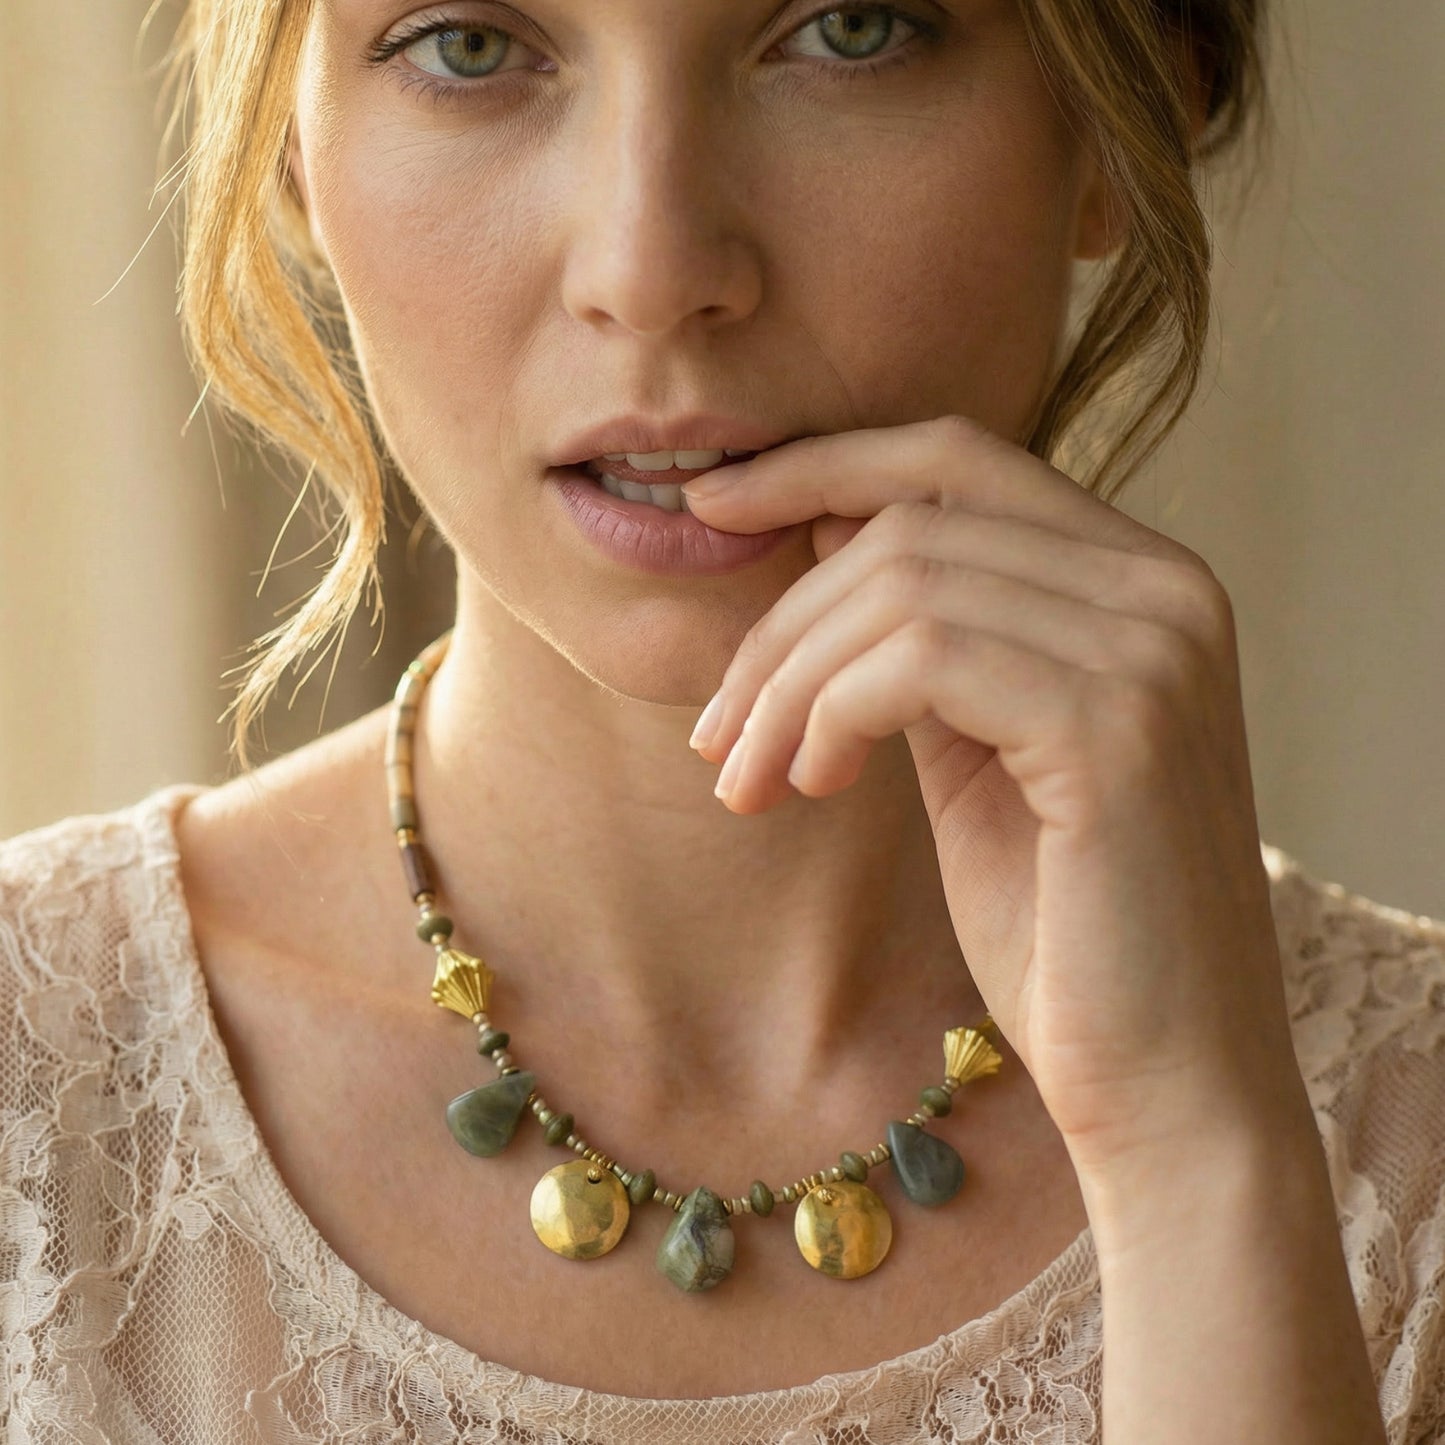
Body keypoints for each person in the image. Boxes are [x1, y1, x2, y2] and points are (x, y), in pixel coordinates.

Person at [1, 0, 1442, 1439]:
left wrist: (1199, 1165)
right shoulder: (34, 1086)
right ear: (290, 151)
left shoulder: (1411, 1143)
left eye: (852, 29)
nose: (651, 268)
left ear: (1125, 117)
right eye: (469, 45)